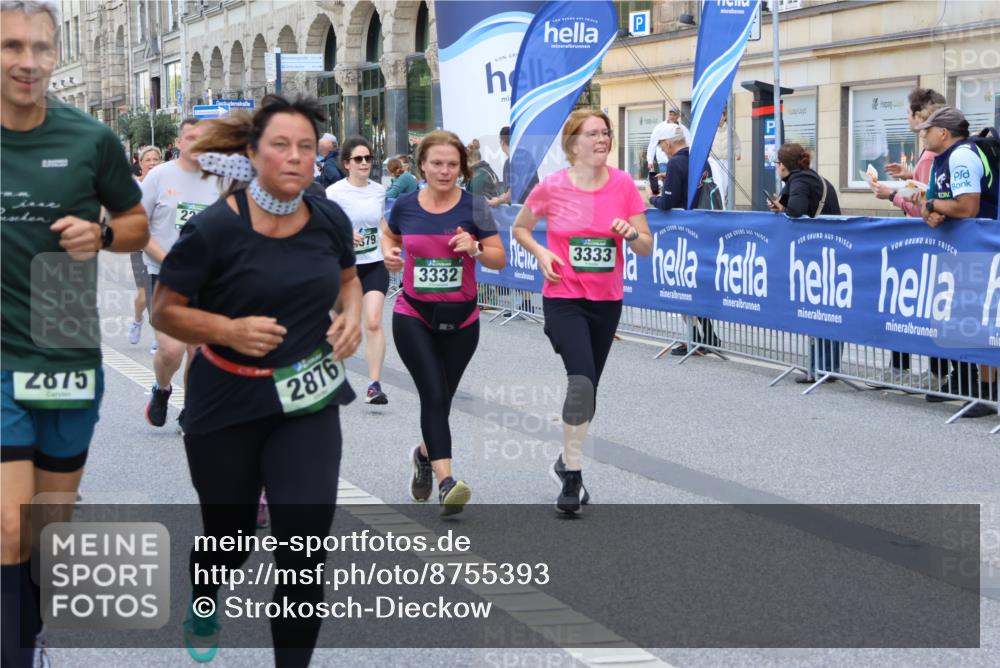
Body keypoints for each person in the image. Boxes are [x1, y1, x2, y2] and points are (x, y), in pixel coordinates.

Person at [152, 94, 362, 664]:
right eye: (280, 146)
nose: (295, 158)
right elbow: (165, 310)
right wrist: (227, 327)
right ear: (252, 153)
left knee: (304, 549)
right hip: (227, 398)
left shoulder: (327, 217)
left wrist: (348, 316)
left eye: (304, 147)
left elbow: (348, 278)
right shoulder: (217, 229)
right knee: (233, 536)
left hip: (307, 397)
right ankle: (205, 588)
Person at [1, 2, 149, 666]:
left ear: (57, 55)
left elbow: (138, 223)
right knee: (8, 526)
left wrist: (105, 234)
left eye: (39, 48)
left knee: (47, 529)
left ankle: (30, 634)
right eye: (10, 47)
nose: (26, 62)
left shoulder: (89, 139)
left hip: (62, 344)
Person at [513, 110, 652, 514]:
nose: (602, 139)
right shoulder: (552, 187)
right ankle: (572, 476)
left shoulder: (624, 185)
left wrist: (631, 234)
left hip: (606, 302)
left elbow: (646, 245)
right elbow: (521, 228)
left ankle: (563, 460)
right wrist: (541, 253)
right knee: (581, 381)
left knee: (590, 386)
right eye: (593, 134)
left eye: (606, 133)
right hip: (563, 297)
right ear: (573, 143)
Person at [382, 130, 506, 515]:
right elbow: (389, 236)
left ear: (462, 168)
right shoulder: (405, 205)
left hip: (463, 319)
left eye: (452, 164)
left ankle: (422, 455)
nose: (444, 170)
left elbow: (499, 258)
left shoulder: (475, 208)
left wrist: (477, 248)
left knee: (443, 400)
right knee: (433, 394)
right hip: (413, 315)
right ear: (421, 165)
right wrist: (389, 254)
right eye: (436, 163)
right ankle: (446, 481)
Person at [915, 106, 998, 417]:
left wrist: (936, 205)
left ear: (944, 132)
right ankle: (977, 385)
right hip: (967, 248)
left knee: (985, 320)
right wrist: (930, 210)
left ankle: (988, 391)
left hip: (983, 246)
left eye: (927, 130)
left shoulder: (962, 156)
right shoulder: (943, 160)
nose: (922, 134)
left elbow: (966, 208)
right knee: (972, 318)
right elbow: (929, 203)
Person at [141, 118, 218, 428]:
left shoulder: (220, 179)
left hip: (205, 278)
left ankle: (191, 408)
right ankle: (161, 389)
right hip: (163, 274)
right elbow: (136, 227)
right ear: (179, 141)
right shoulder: (159, 177)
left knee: (199, 350)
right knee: (171, 350)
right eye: (191, 138)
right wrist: (169, 259)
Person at [870, 88, 946, 384]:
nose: (906, 118)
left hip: (924, 242)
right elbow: (925, 190)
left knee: (914, 307)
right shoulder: (930, 154)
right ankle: (931, 372)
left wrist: (891, 195)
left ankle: (935, 373)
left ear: (919, 116)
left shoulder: (932, 153)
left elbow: (924, 203)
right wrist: (908, 175)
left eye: (908, 113)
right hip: (927, 241)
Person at [766, 143, 843, 385]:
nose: (776, 168)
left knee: (820, 309)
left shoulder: (798, 181)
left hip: (819, 253)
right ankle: (824, 367)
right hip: (830, 249)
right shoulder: (813, 178)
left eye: (777, 163)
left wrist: (784, 207)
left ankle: (821, 368)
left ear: (783, 166)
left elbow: (797, 210)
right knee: (826, 310)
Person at [326, 135, 390, 404]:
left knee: (373, 321)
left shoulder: (378, 190)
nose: (364, 163)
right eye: (358, 159)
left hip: (374, 264)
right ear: (347, 163)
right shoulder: (334, 193)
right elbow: (324, 228)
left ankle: (374, 385)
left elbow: (382, 224)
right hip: (344, 267)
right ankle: (331, 378)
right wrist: (344, 233)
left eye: (368, 158)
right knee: (340, 326)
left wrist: (392, 246)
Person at [648, 123, 720, 356]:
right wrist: (670, 179)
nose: (663, 151)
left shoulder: (676, 162)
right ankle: (707, 335)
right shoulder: (699, 158)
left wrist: (653, 198)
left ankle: (695, 338)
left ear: (669, 142)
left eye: (661, 146)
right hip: (703, 228)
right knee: (697, 284)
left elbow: (668, 203)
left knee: (682, 284)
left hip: (682, 234)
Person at [127, 145, 162, 346]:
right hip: (140, 247)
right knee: (144, 295)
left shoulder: (167, 185)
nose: (151, 163)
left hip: (162, 246)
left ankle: (159, 338)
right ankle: (138, 321)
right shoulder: (134, 187)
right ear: (140, 164)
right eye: (147, 160)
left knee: (156, 294)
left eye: (155, 159)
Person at [487, 125, 539, 206]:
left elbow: (510, 196)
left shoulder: (509, 163)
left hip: (520, 211)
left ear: (502, 142)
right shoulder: (528, 155)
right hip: (536, 208)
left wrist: (497, 200)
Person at [646, 107, 692, 178]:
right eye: (670, 114)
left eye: (674, 115)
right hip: (663, 161)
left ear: (678, 116)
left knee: (676, 179)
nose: (672, 117)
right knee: (666, 180)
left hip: (677, 160)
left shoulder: (682, 129)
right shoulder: (660, 127)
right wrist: (650, 160)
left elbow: (689, 143)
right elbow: (652, 143)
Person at [709, 110, 741, 208]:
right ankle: (721, 205)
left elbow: (736, 142)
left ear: (724, 117)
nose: (718, 118)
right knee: (718, 183)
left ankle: (725, 204)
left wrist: (738, 153)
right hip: (714, 161)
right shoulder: (711, 129)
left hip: (726, 159)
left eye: (720, 116)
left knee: (725, 184)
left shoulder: (730, 129)